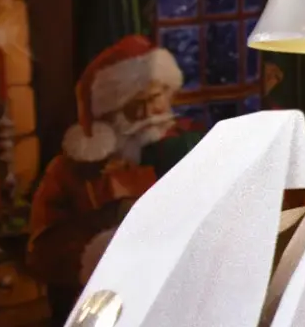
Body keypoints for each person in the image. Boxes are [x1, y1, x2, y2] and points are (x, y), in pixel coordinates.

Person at [27, 35, 194, 289]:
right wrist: (102, 247)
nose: (149, 113)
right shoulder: (69, 171)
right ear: (111, 113)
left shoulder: (191, 149)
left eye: (156, 98)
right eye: (136, 105)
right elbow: (42, 251)